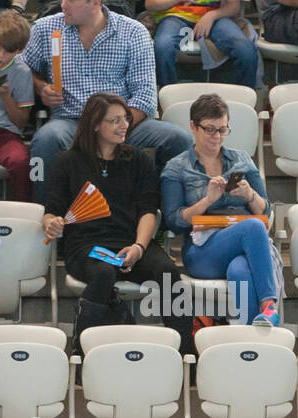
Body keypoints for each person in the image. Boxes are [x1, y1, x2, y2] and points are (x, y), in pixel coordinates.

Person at [42, 93, 193, 357]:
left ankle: (185, 355)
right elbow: (51, 212)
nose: (124, 125)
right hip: (85, 245)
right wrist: (51, 223)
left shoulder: (139, 160)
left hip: (130, 240)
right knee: (103, 273)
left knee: (168, 271)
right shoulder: (67, 162)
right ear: (95, 125)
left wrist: (138, 247)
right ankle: (82, 353)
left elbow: (149, 210)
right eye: (114, 120)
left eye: (125, 118)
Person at [23, 0, 194, 205]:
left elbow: (145, 97)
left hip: (124, 122)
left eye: (70, 0)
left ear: (95, 2)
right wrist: (41, 87)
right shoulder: (45, 28)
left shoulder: (133, 32)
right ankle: (45, 217)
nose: (62, 5)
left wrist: (114, 125)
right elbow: (23, 69)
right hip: (70, 122)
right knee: (45, 140)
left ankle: (170, 219)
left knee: (179, 140)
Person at [161, 94, 279, 326]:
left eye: (223, 130)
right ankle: (270, 305)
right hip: (203, 249)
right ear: (193, 127)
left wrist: (249, 195)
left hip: (244, 243)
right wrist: (206, 201)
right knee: (253, 226)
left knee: (240, 271)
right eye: (210, 130)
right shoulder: (176, 167)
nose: (217, 137)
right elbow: (174, 220)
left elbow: (266, 210)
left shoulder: (241, 159)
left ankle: (253, 341)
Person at [146, 0, 261, 89]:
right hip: (174, 17)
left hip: (213, 18)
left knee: (245, 49)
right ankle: (167, 99)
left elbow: (234, 7)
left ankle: (243, 103)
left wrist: (211, 16)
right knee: (163, 47)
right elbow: (150, 4)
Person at [0, 9, 33, 201]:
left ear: (19, 51)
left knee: (20, 161)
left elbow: (22, 121)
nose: (0, 55)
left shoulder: (22, 72)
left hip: (5, 132)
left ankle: (20, 207)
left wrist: (6, 96)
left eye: (8, 51)